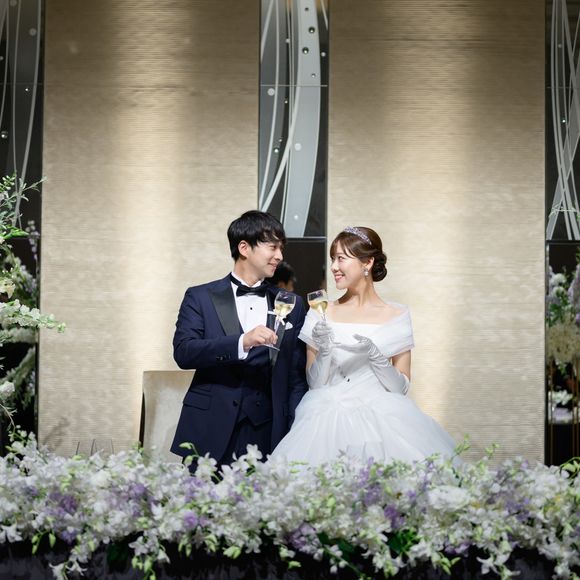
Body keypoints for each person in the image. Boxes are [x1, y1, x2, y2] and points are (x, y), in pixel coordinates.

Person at [271, 226, 457, 465]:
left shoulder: (397, 315)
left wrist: (376, 357)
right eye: (332, 259)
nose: (334, 267)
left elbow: (400, 388)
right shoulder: (321, 312)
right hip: (326, 420)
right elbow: (315, 384)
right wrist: (325, 351)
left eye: (341, 258)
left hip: (384, 421)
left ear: (367, 262)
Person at [171, 211, 308, 468]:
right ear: (244, 248)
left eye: (281, 248)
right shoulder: (200, 297)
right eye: (273, 247)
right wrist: (241, 342)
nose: (280, 256)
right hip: (210, 427)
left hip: (269, 431)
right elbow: (184, 352)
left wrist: (295, 428)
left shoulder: (293, 303)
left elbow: (296, 377)